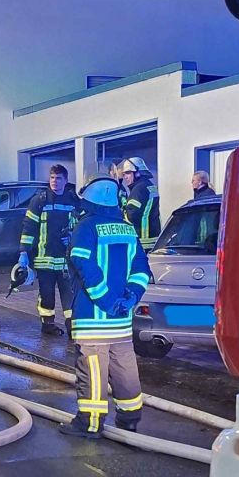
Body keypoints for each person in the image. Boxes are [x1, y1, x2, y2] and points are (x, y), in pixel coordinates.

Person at [61, 177, 150, 439]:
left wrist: (106, 301)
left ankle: (90, 423)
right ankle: (130, 417)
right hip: (121, 318)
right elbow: (141, 270)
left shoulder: (86, 227)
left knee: (92, 369)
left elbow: (83, 264)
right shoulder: (127, 228)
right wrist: (131, 298)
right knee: (124, 366)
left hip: (94, 315)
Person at [17, 164, 78, 336]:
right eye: (52, 178)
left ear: (65, 181)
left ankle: (72, 327)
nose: (54, 181)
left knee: (69, 294)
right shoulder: (40, 200)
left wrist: (73, 237)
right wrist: (24, 252)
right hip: (44, 259)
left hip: (67, 260)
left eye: (58, 178)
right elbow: (28, 227)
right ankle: (48, 324)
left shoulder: (73, 201)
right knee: (47, 295)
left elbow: (82, 226)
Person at [119, 156, 161, 249]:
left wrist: (120, 212)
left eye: (128, 173)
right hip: (153, 238)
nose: (125, 177)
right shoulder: (149, 185)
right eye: (124, 174)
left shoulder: (139, 189)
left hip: (142, 240)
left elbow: (131, 215)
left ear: (138, 173)